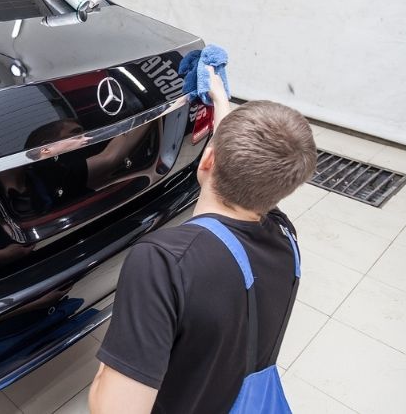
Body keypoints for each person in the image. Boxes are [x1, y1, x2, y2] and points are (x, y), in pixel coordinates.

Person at [89, 67, 317, 413]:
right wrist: (220, 102)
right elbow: (260, 172)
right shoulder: (285, 237)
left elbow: (115, 409)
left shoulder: (164, 262)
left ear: (207, 159)